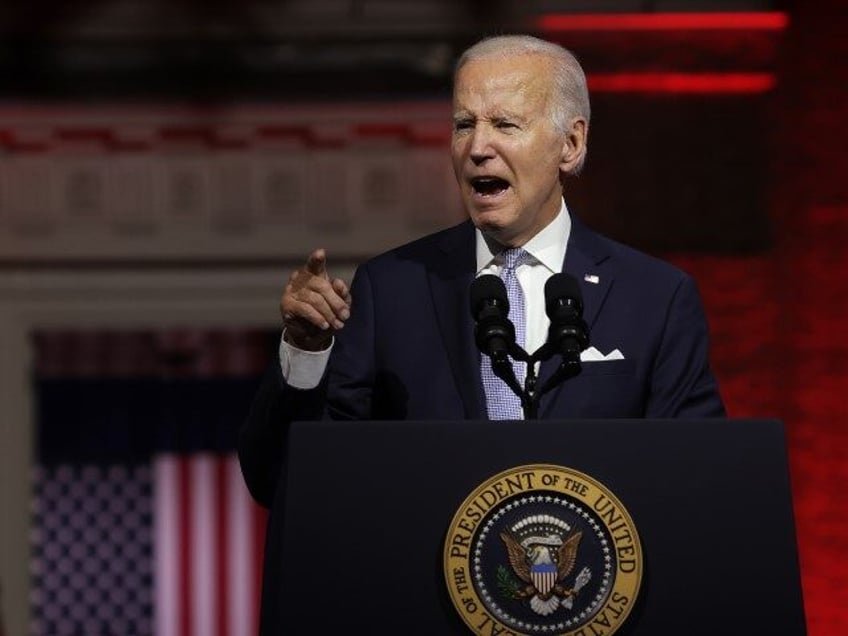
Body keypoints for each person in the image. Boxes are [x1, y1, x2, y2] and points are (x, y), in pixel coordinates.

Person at [239, 33, 725, 630]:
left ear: (570, 145)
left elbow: (701, 492)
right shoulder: (391, 289)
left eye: (505, 124)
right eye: (463, 124)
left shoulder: (656, 298)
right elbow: (286, 482)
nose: (477, 148)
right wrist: (306, 353)